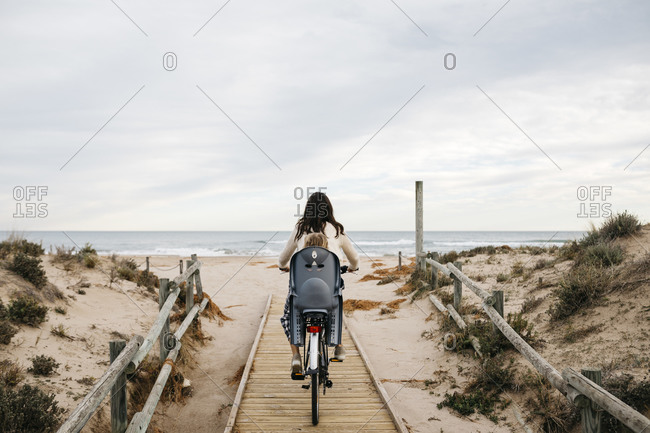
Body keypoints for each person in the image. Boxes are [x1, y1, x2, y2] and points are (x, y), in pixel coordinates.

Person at [278, 192, 359, 376]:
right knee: (336, 305)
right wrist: (353, 267)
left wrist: (283, 266)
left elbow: (283, 259)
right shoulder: (337, 230)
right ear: (329, 209)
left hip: (302, 293)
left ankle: (296, 356)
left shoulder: (300, 228)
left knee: (289, 315)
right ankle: (338, 346)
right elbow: (354, 258)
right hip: (329, 291)